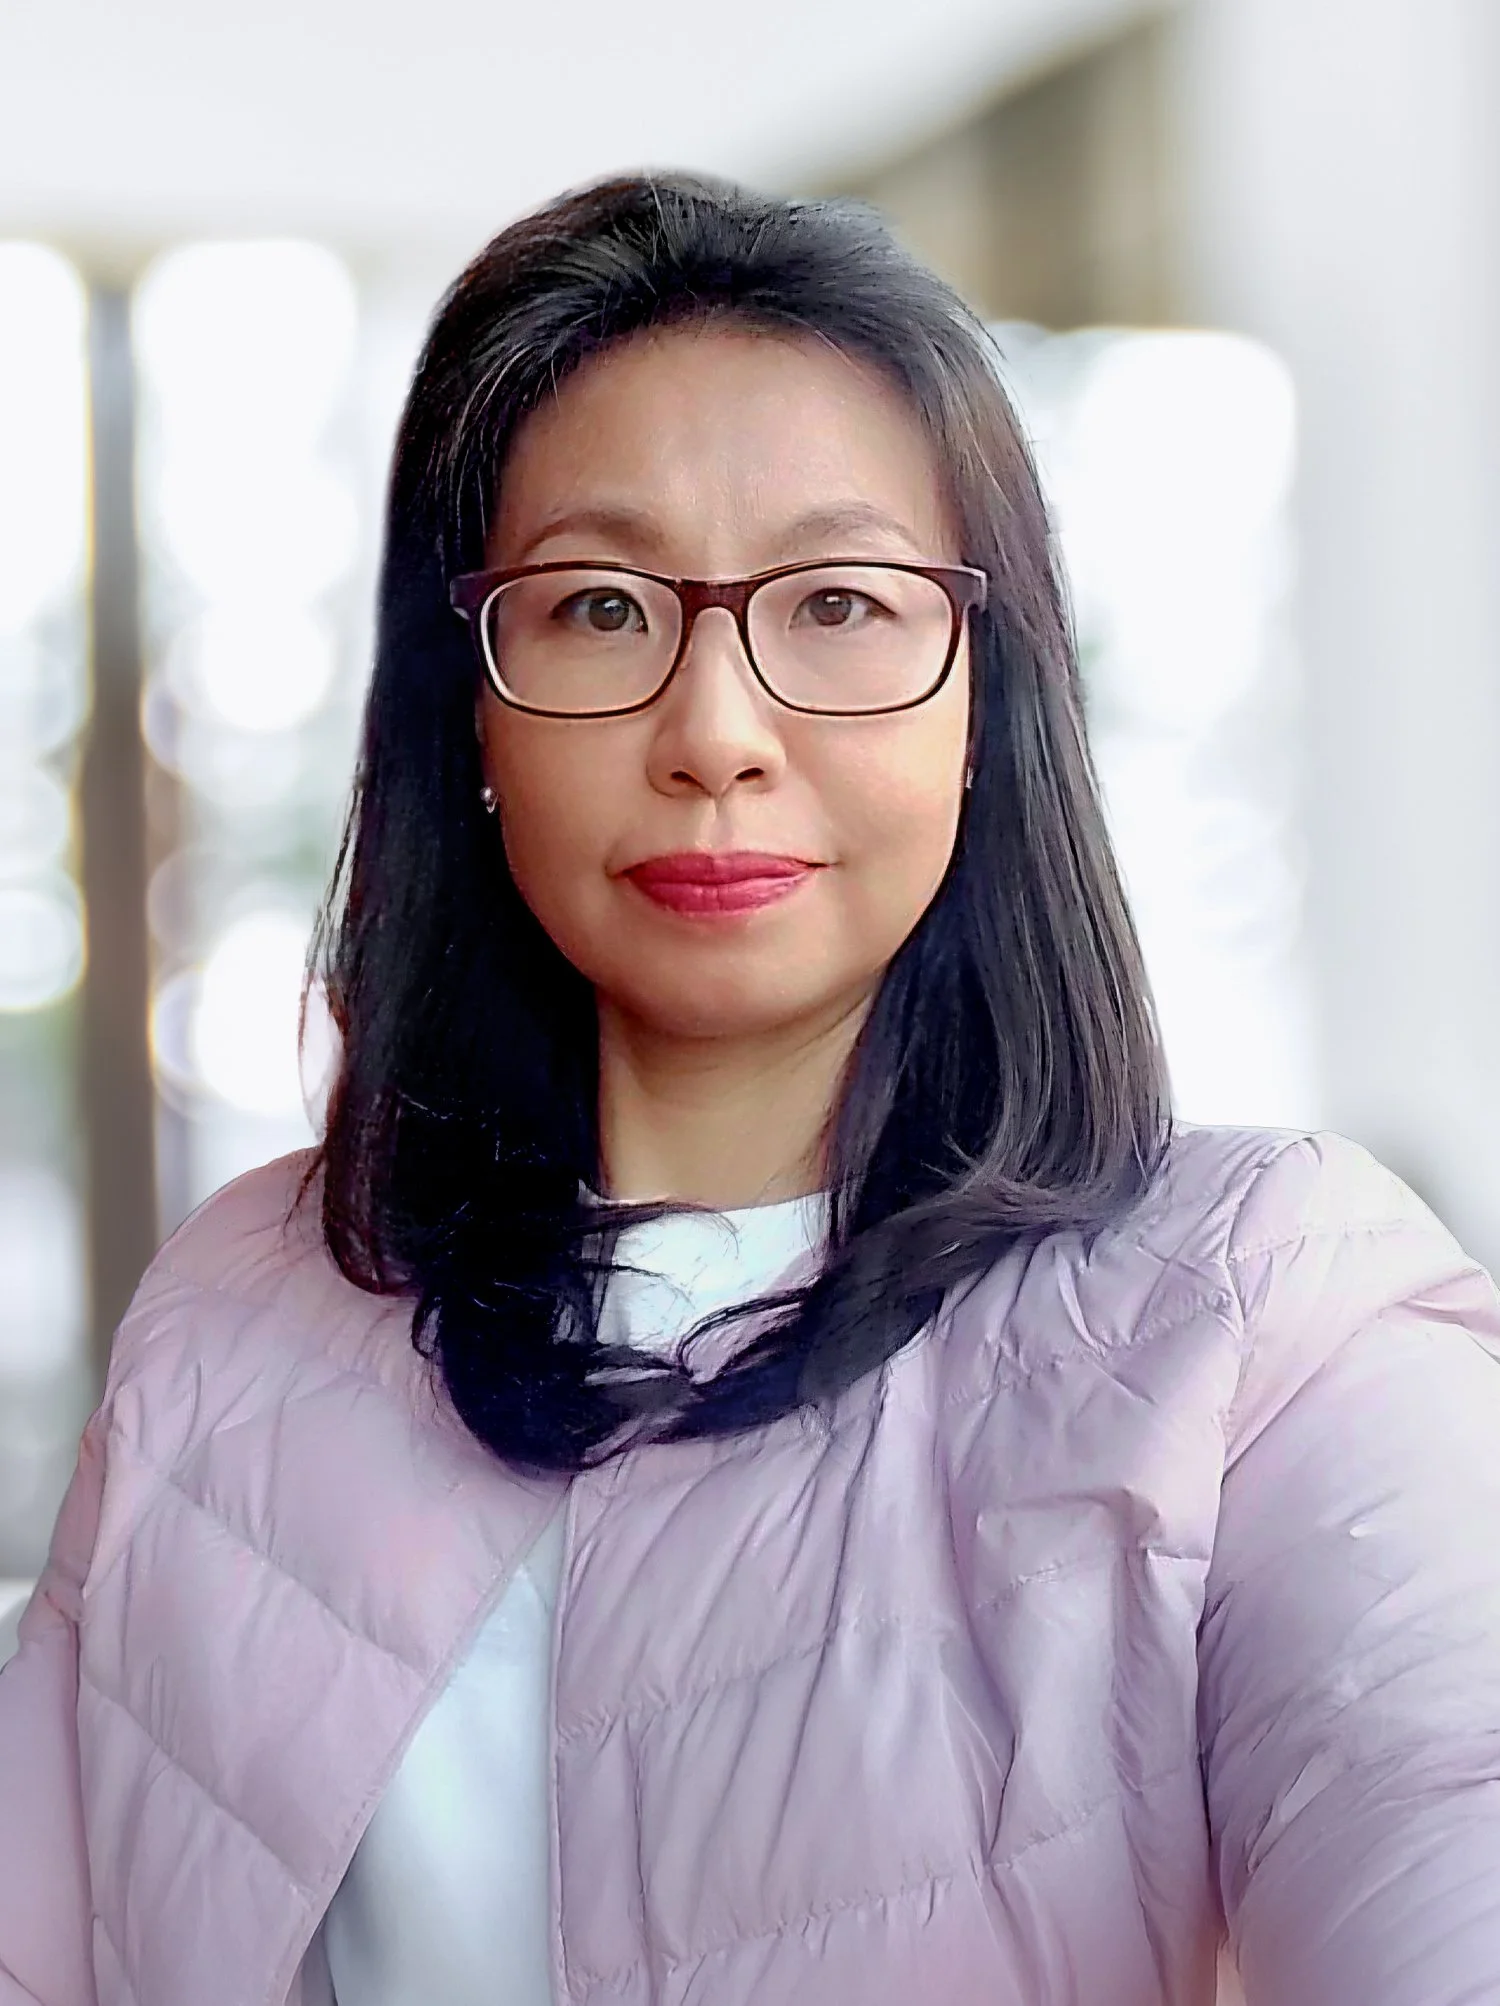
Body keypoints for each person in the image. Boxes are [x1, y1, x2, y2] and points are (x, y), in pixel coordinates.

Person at [3, 172, 1499, 2006]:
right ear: (467, 706)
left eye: (842, 603)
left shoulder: (1268, 1311)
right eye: (602, 608)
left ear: (990, 703)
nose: (715, 730)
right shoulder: (242, 1309)